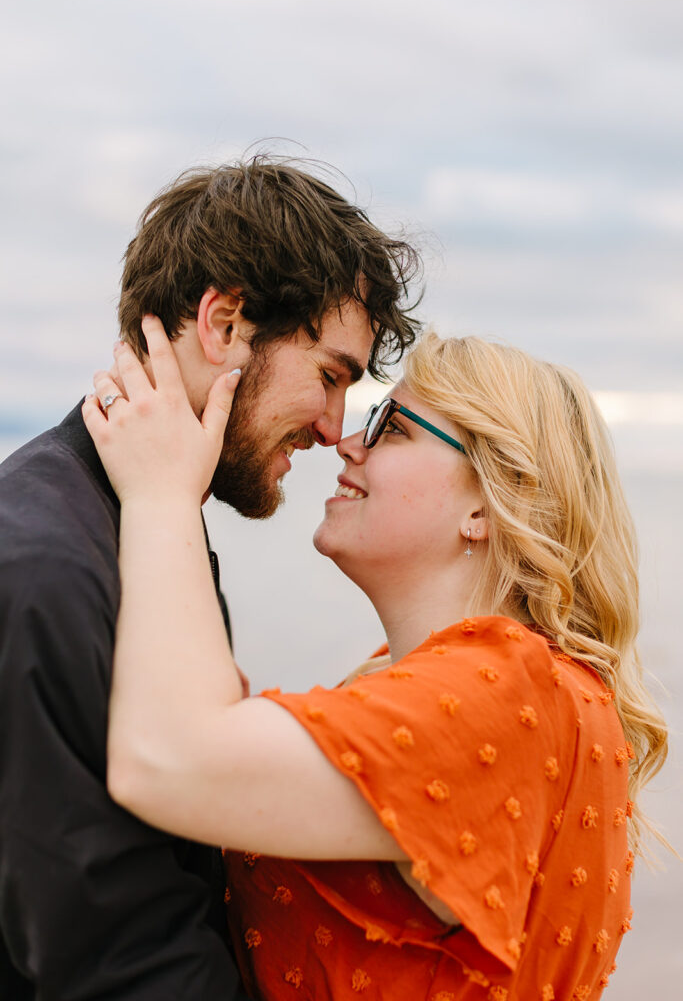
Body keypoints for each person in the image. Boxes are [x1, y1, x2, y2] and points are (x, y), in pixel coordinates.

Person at [85, 319, 668, 1001]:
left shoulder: (508, 689)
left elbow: (169, 761)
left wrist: (160, 495)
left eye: (392, 426)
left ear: (487, 499)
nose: (346, 442)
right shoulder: (482, 683)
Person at [0, 159, 420, 999]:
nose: (336, 429)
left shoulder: (143, 523)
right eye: (330, 375)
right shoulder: (48, 568)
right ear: (224, 322)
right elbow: (116, 955)